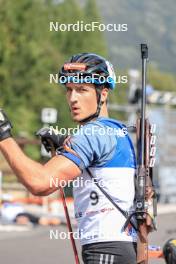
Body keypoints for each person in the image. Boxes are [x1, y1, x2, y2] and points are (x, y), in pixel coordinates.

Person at [0, 53, 137, 264]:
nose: (73, 98)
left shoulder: (93, 134)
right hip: (120, 247)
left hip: (105, 250)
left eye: (82, 90)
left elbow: (40, 183)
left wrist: (3, 135)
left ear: (103, 94)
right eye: (69, 89)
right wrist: (65, 141)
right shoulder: (117, 131)